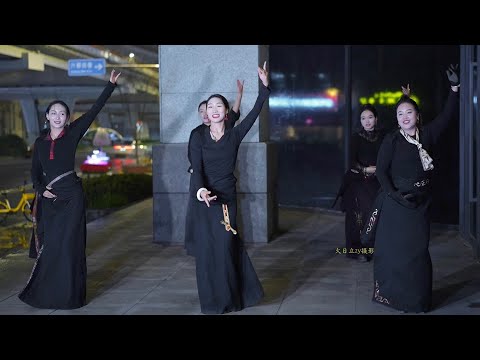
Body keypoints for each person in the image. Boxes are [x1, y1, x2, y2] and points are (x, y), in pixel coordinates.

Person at [19, 70, 121, 310]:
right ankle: (46, 294)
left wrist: (110, 86)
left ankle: (70, 297)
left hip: (72, 197)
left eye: (62, 113)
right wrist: (41, 190)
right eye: (53, 112)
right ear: (47, 116)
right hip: (49, 200)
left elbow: (95, 110)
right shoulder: (40, 142)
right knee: (52, 247)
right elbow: (35, 172)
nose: (57, 116)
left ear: (67, 118)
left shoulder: (73, 133)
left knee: (70, 247)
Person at [366, 64, 459, 313]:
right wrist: (393, 195)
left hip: (420, 203)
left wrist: (454, 88)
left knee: (417, 253)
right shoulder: (392, 140)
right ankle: (395, 298)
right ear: (396, 119)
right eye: (399, 114)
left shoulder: (427, 135)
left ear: (417, 115)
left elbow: (448, 116)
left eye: (409, 112)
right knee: (394, 254)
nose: (404, 117)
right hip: (396, 204)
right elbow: (382, 173)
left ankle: (417, 300)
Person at [189, 62, 269, 314]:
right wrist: (200, 191)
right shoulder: (197, 135)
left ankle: (231, 298)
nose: (213, 110)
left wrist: (265, 86)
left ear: (226, 113)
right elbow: (196, 168)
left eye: (218, 106)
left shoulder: (234, 134)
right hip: (204, 199)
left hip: (225, 199)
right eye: (209, 106)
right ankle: (212, 302)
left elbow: (256, 111)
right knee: (207, 252)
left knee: (225, 247)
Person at [184, 80, 244, 257]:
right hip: (201, 183)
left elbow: (234, 116)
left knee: (225, 233)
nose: (207, 113)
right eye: (203, 110)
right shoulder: (197, 134)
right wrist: (200, 186)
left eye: (211, 108)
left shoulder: (226, 130)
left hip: (224, 188)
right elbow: (194, 163)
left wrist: (239, 95)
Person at [337, 104, 384, 262]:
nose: (367, 121)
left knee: (376, 215)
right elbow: (351, 162)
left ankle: (372, 249)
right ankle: (355, 250)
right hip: (357, 181)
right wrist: (365, 170)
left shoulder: (383, 137)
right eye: (363, 118)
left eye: (370, 117)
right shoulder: (356, 138)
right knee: (358, 216)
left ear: (376, 119)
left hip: (377, 181)